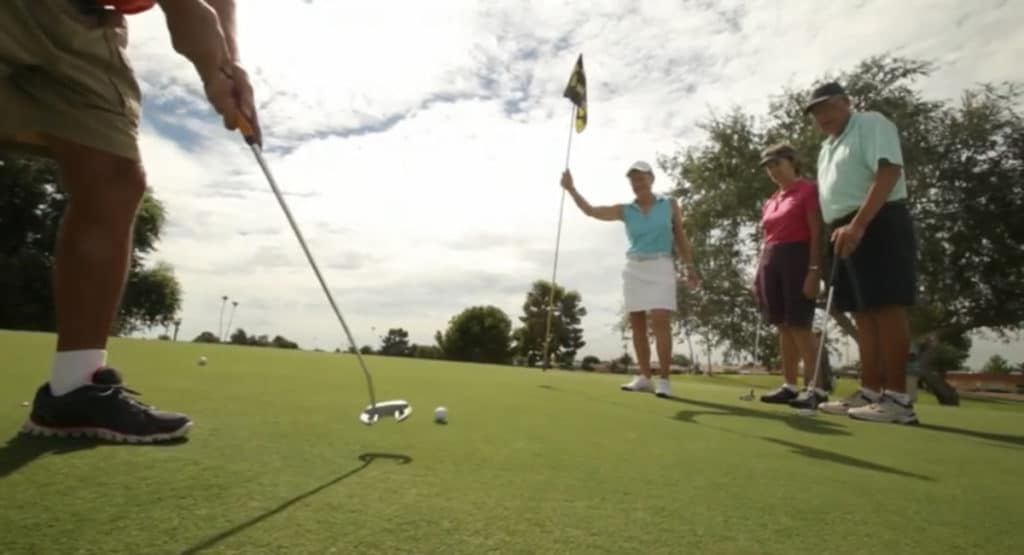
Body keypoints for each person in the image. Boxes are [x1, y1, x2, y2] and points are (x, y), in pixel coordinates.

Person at [2, 0, 261, 442]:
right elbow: (188, 12)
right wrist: (211, 70)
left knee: (114, 179)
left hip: (87, 21)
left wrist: (229, 66)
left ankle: (73, 389)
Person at [804, 82, 918, 424]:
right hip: (842, 227)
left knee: (885, 306)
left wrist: (859, 224)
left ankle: (898, 399)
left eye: (828, 107)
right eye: (816, 112)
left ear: (846, 102)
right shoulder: (826, 147)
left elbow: (888, 171)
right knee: (861, 312)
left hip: (876, 219)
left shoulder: (870, 123)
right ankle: (870, 391)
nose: (822, 116)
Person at [560, 161, 699, 398]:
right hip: (634, 268)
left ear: (651, 179)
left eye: (641, 178)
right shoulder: (626, 210)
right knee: (637, 324)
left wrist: (690, 266)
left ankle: (664, 379)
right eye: (633, 179)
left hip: (662, 264)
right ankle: (645, 377)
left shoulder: (670, 204)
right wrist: (571, 189)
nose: (637, 183)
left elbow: (680, 236)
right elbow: (592, 211)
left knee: (661, 320)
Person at [752, 143, 830, 410]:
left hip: (798, 258)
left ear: (792, 162)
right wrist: (757, 276)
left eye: (777, 164)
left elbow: (816, 232)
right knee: (782, 325)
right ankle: (789, 385)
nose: (773, 170)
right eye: (768, 167)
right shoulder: (771, 199)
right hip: (770, 260)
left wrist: (814, 271)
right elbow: (766, 238)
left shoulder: (808, 190)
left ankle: (816, 388)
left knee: (799, 324)